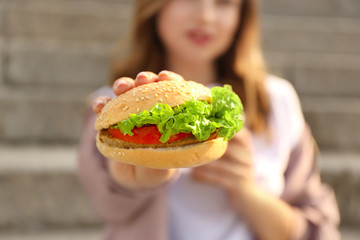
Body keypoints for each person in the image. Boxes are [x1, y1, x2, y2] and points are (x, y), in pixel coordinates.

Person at [78, 0, 340, 239]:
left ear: (241, 15)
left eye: (224, 2)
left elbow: (319, 229)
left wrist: (246, 192)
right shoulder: (110, 105)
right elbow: (106, 205)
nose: (205, 16)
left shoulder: (277, 101)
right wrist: (135, 175)